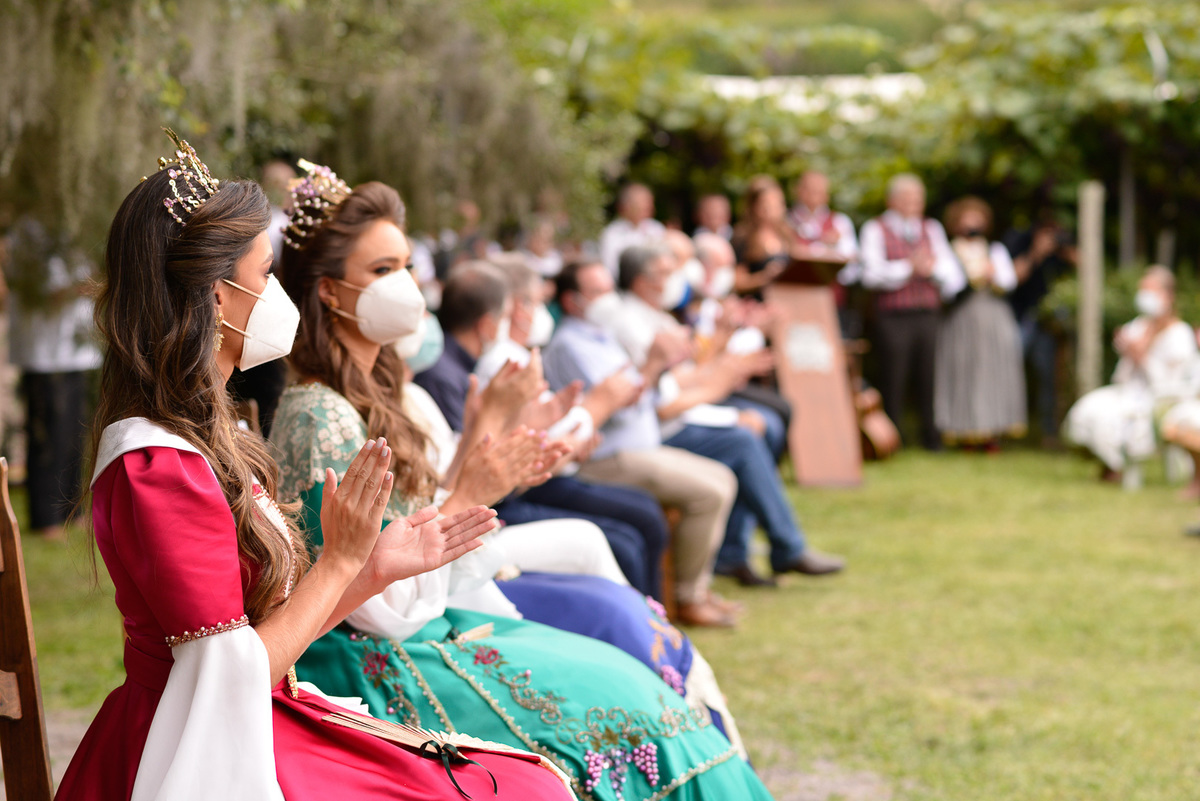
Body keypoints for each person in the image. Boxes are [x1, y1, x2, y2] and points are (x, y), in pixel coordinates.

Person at [56, 131, 572, 801]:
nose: (278, 294)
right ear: (217, 297)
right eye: (266, 274)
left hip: (249, 719)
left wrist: (374, 564)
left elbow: (260, 641)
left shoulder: (212, 438)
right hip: (192, 748)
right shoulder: (160, 466)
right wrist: (338, 562)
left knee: (523, 780)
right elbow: (226, 674)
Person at [270, 165, 772, 799]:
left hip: (432, 619)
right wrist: (471, 491)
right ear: (328, 293)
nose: (404, 285)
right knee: (627, 706)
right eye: (380, 271)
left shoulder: (377, 391)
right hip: (376, 662)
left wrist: (491, 454)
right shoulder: (319, 414)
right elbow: (376, 604)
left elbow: (413, 526)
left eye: (404, 266)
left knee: (632, 678)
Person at [610, 245, 845, 587]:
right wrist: (719, 381)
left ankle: (735, 551)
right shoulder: (631, 323)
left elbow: (688, 373)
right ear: (641, 281)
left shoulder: (656, 316)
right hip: (658, 428)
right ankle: (781, 547)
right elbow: (663, 398)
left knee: (767, 424)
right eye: (664, 273)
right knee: (746, 437)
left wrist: (726, 349)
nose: (672, 280)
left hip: (680, 412)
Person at [544, 259, 743, 627]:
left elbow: (647, 397)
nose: (608, 298)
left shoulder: (604, 335)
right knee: (708, 493)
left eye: (608, 289)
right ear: (571, 301)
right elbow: (613, 409)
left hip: (641, 448)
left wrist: (662, 367)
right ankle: (687, 597)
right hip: (607, 456)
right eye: (597, 291)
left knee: (722, 478)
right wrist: (653, 365)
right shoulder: (569, 344)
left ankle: (699, 588)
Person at [5, 215, 102, 539]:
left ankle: (71, 511)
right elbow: (34, 289)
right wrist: (81, 288)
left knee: (74, 436)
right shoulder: (27, 232)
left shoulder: (71, 226)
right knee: (48, 435)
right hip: (44, 353)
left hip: (77, 352)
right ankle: (45, 516)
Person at [859, 173, 965, 450]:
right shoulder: (875, 228)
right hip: (893, 315)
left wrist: (930, 271)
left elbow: (952, 274)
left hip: (927, 312)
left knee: (929, 375)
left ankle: (931, 437)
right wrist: (908, 268)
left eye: (917, 199)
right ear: (891, 200)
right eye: (906, 198)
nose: (912, 204)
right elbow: (870, 274)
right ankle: (892, 438)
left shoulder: (932, 229)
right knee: (894, 376)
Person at [1065, 266, 1198, 482]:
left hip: (1160, 398)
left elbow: (1170, 383)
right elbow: (1121, 376)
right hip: (1128, 390)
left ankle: (1120, 469)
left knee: (1119, 418)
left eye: (1151, 290)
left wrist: (1142, 358)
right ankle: (1110, 463)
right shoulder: (1137, 325)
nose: (1145, 296)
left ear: (1167, 296)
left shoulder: (1179, 333)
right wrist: (1128, 353)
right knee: (1088, 408)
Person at [934, 197, 1027, 449]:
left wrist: (993, 273)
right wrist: (968, 276)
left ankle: (993, 433)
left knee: (995, 372)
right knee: (965, 373)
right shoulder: (947, 251)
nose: (973, 224)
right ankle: (964, 431)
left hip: (994, 317)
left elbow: (1008, 282)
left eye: (978, 218)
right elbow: (946, 288)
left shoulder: (995, 250)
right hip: (964, 319)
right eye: (967, 218)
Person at [1004, 216, 1076, 443]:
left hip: (1048, 323)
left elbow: (1086, 266)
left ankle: (1049, 433)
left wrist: (1066, 251)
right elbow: (1013, 278)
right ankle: (1005, 428)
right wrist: (1037, 252)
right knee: (1010, 371)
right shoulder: (1020, 242)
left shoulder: (1060, 252)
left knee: (1050, 378)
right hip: (1020, 317)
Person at [732, 175, 792, 301]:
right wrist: (765, 277)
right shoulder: (743, 237)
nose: (771, 209)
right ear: (753, 206)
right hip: (755, 306)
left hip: (786, 303)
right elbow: (737, 283)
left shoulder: (788, 236)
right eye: (766, 204)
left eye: (777, 203)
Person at [599, 183, 666, 277]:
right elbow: (610, 267)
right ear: (627, 206)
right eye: (644, 202)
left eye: (650, 202)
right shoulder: (612, 233)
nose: (649, 206)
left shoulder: (656, 228)